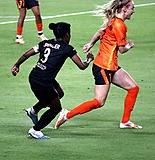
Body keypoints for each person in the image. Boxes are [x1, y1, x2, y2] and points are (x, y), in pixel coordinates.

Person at [55, 0, 142, 130]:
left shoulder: (112, 20)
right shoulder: (119, 25)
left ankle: (125, 121)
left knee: (133, 88)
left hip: (110, 66)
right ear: (124, 9)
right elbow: (122, 50)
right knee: (99, 102)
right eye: (132, 8)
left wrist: (91, 43)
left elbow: (100, 32)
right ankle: (66, 114)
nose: (133, 11)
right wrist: (129, 45)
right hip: (104, 67)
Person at [11, 22, 94, 139]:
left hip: (35, 76)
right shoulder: (67, 49)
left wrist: (16, 65)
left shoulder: (45, 43)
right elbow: (82, 66)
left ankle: (33, 111)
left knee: (59, 93)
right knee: (56, 108)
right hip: (43, 82)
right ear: (67, 35)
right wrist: (89, 59)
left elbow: (27, 54)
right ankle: (35, 130)